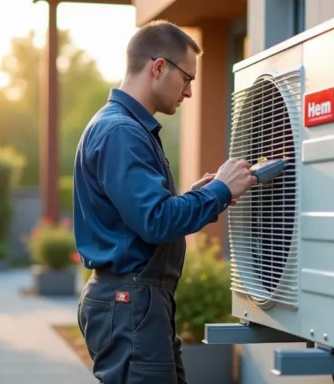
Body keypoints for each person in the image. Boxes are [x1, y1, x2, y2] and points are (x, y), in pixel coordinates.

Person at [72, 19, 257, 384]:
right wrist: (219, 190)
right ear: (159, 67)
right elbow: (155, 220)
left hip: (138, 302)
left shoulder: (124, 127)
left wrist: (199, 195)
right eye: (188, 78)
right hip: (132, 303)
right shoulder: (122, 132)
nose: (189, 92)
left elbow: (143, 216)